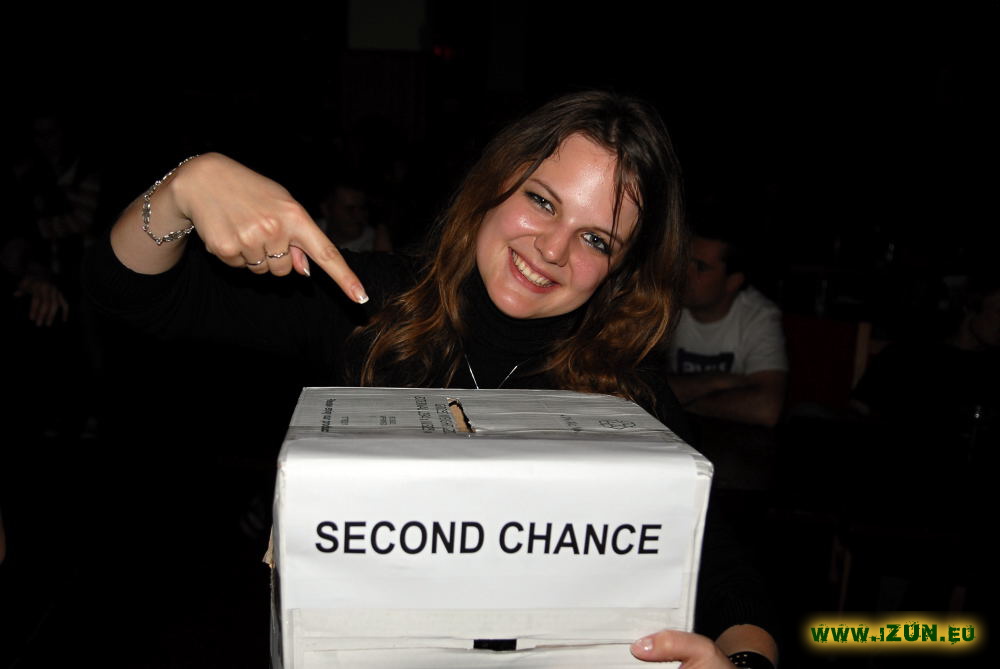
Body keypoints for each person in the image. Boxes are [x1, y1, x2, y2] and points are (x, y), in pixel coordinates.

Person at [87, 91, 777, 667]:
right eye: (542, 201)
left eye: (596, 239)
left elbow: (724, 575)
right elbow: (131, 298)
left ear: (619, 271)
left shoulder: (626, 393)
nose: (553, 248)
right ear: (496, 184)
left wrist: (744, 662)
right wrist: (182, 189)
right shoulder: (368, 304)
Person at [666, 230, 787, 427]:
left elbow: (767, 408)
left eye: (700, 267)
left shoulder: (759, 316)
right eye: (685, 261)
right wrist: (717, 382)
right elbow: (640, 387)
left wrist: (678, 400)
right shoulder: (664, 305)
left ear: (733, 282)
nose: (684, 272)